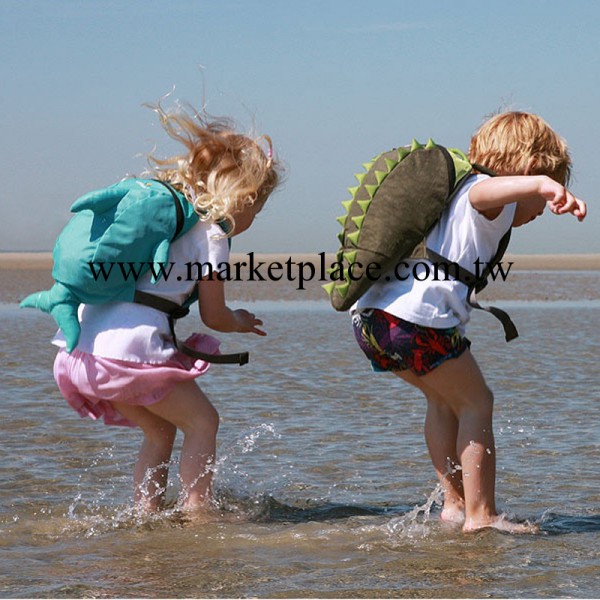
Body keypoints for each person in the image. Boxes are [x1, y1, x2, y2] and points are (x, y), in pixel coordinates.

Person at [350, 111, 587, 533]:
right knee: (478, 403)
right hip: (419, 324)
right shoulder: (486, 194)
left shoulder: (457, 196)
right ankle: (482, 515)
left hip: (376, 323)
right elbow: (489, 191)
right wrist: (541, 185)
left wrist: (537, 185)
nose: (543, 209)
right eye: (548, 191)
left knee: (445, 402)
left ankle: (454, 505)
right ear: (530, 169)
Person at [52, 102, 281, 515]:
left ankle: (147, 514)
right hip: (130, 351)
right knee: (203, 422)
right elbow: (214, 316)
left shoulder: (168, 215)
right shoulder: (212, 234)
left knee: (159, 430)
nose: (253, 218)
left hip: (82, 347)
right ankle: (198, 515)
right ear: (242, 198)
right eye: (257, 210)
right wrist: (241, 322)